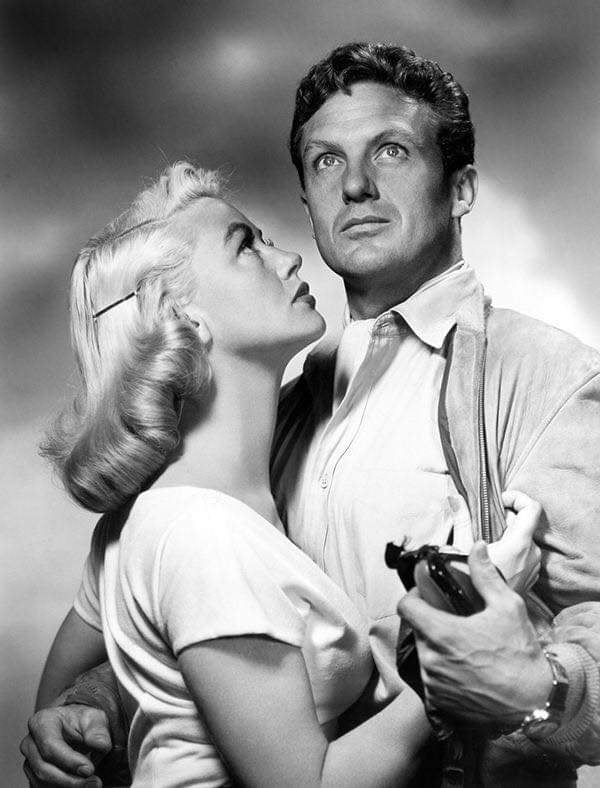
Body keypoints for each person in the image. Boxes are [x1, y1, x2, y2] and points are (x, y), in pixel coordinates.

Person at [22, 42, 600, 785]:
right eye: (327, 161)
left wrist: (533, 690)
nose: (355, 185)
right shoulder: (263, 416)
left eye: (390, 150)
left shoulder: (548, 379)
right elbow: (209, 632)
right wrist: (89, 702)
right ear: (308, 202)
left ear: (460, 188)